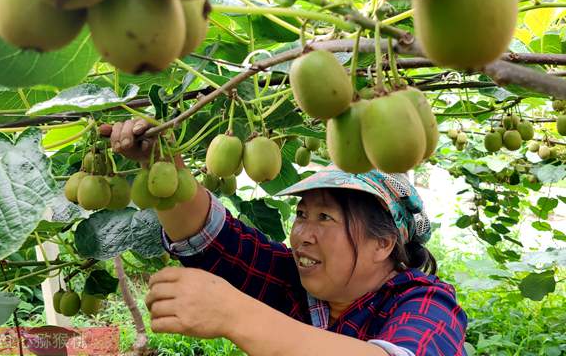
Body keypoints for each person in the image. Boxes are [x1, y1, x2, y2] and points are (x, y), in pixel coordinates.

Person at [110, 118, 468, 356]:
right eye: (301, 215)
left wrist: (234, 313)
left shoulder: (427, 303)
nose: (302, 235)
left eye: (324, 217)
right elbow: (209, 236)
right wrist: (160, 160)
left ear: (383, 243)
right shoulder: (295, 282)